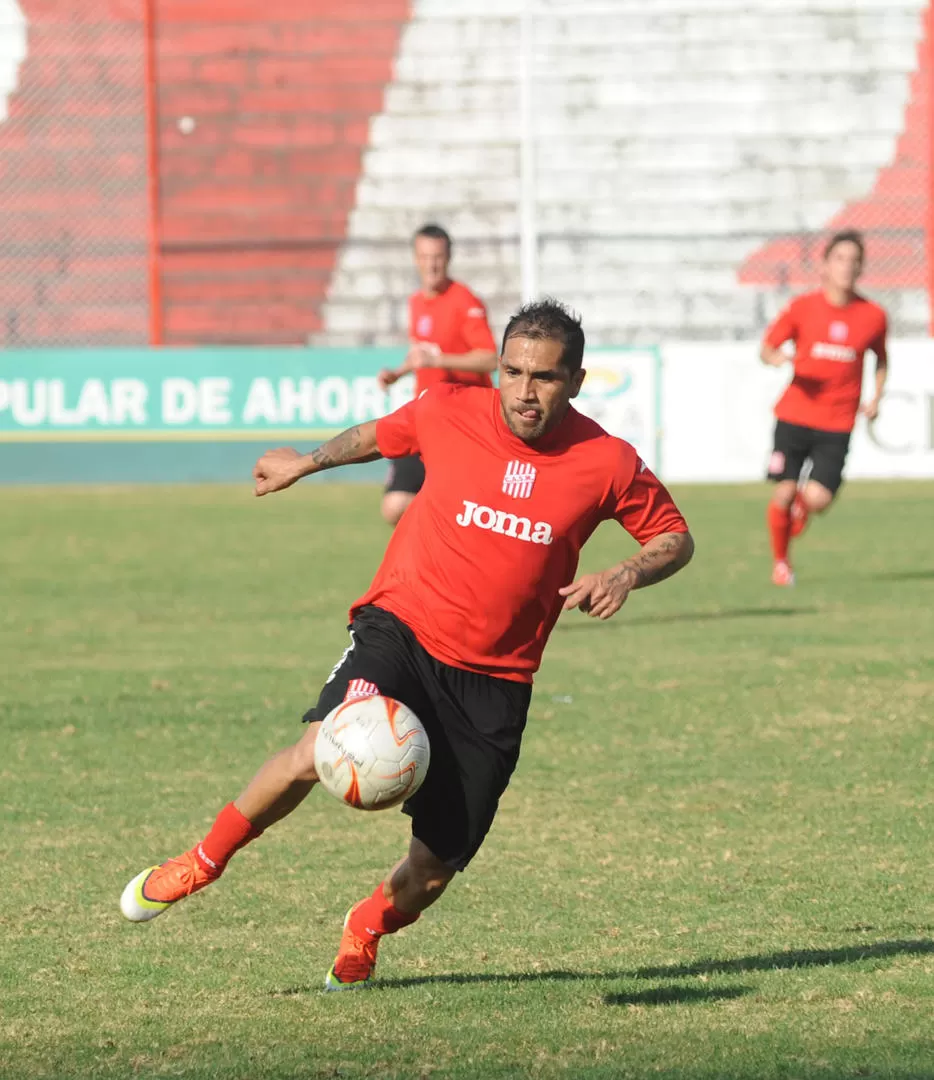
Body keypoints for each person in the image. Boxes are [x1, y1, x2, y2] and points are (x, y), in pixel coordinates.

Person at [120, 299, 695, 991]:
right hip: (404, 631)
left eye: (543, 377)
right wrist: (306, 462)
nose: (523, 390)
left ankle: (366, 925)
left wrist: (626, 571)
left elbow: (675, 536)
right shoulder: (449, 409)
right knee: (318, 748)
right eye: (511, 371)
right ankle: (202, 862)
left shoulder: (606, 460)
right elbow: (378, 435)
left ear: (573, 379)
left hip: (495, 684)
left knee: (430, 873)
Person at [761, 229, 887, 587]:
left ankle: (803, 508)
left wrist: (876, 397)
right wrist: (775, 357)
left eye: (854, 260)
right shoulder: (803, 308)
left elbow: (881, 360)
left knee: (819, 499)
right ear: (825, 265)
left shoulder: (873, 315)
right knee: (783, 492)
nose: (847, 267)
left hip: (838, 422)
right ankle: (781, 565)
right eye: (840, 259)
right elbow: (767, 347)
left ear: (861, 267)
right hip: (794, 416)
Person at [376, 223, 499, 526]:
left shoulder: (465, 302)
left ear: (449, 257)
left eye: (438, 256)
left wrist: (439, 358)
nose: (431, 264)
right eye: (425, 256)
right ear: (416, 259)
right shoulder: (416, 302)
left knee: (464, 509)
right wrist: (398, 373)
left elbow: (490, 359)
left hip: (464, 420)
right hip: (426, 415)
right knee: (394, 506)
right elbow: (423, 353)